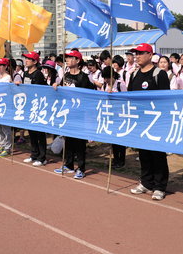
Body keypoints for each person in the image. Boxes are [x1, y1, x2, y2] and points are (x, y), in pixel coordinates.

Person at [128, 43, 171, 200]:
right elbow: (129, 97)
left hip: (156, 121)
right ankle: (146, 182)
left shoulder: (159, 74)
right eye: (136, 53)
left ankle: (160, 186)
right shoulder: (134, 75)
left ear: (150, 55)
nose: (137, 56)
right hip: (140, 121)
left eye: (140, 53)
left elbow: (166, 99)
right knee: (144, 154)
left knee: (157, 154)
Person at [54, 50, 95, 179]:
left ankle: (81, 168)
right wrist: (56, 85)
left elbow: (88, 95)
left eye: (71, 58)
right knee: (69, 140)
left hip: (79, 114)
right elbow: (60, 89)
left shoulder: (83, 77)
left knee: (79, 142)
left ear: (77, 61)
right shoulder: (65, 75)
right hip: (67, 113)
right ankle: (69, 165)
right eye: (67, 58)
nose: (68, 60)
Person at [17, 51, 47, 167]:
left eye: (29, 59)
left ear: (35, 62)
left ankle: (42, 157)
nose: (26, 60)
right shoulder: (25, 73)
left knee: (39, 132)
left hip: (38, 106)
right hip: (28, 105)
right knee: (31, 131)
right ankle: (34, 154)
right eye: (26, 58)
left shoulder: (38, 74)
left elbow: (39, 90)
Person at [100, 65, 127, 168]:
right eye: (105, 78)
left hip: (120, 115)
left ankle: (121, 160)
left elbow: (125, 98)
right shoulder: (104, 86)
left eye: (108, 77)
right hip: (110, 115)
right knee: (113, 139)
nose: (106, 80)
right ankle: (116, 159)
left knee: (121, 139)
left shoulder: (120, 84)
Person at [0, 58, 13, 157]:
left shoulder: (7, 77)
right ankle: (2, 144)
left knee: (5, 127)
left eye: (1, 65)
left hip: (5, 105)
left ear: (6, 66)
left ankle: (8, 147)